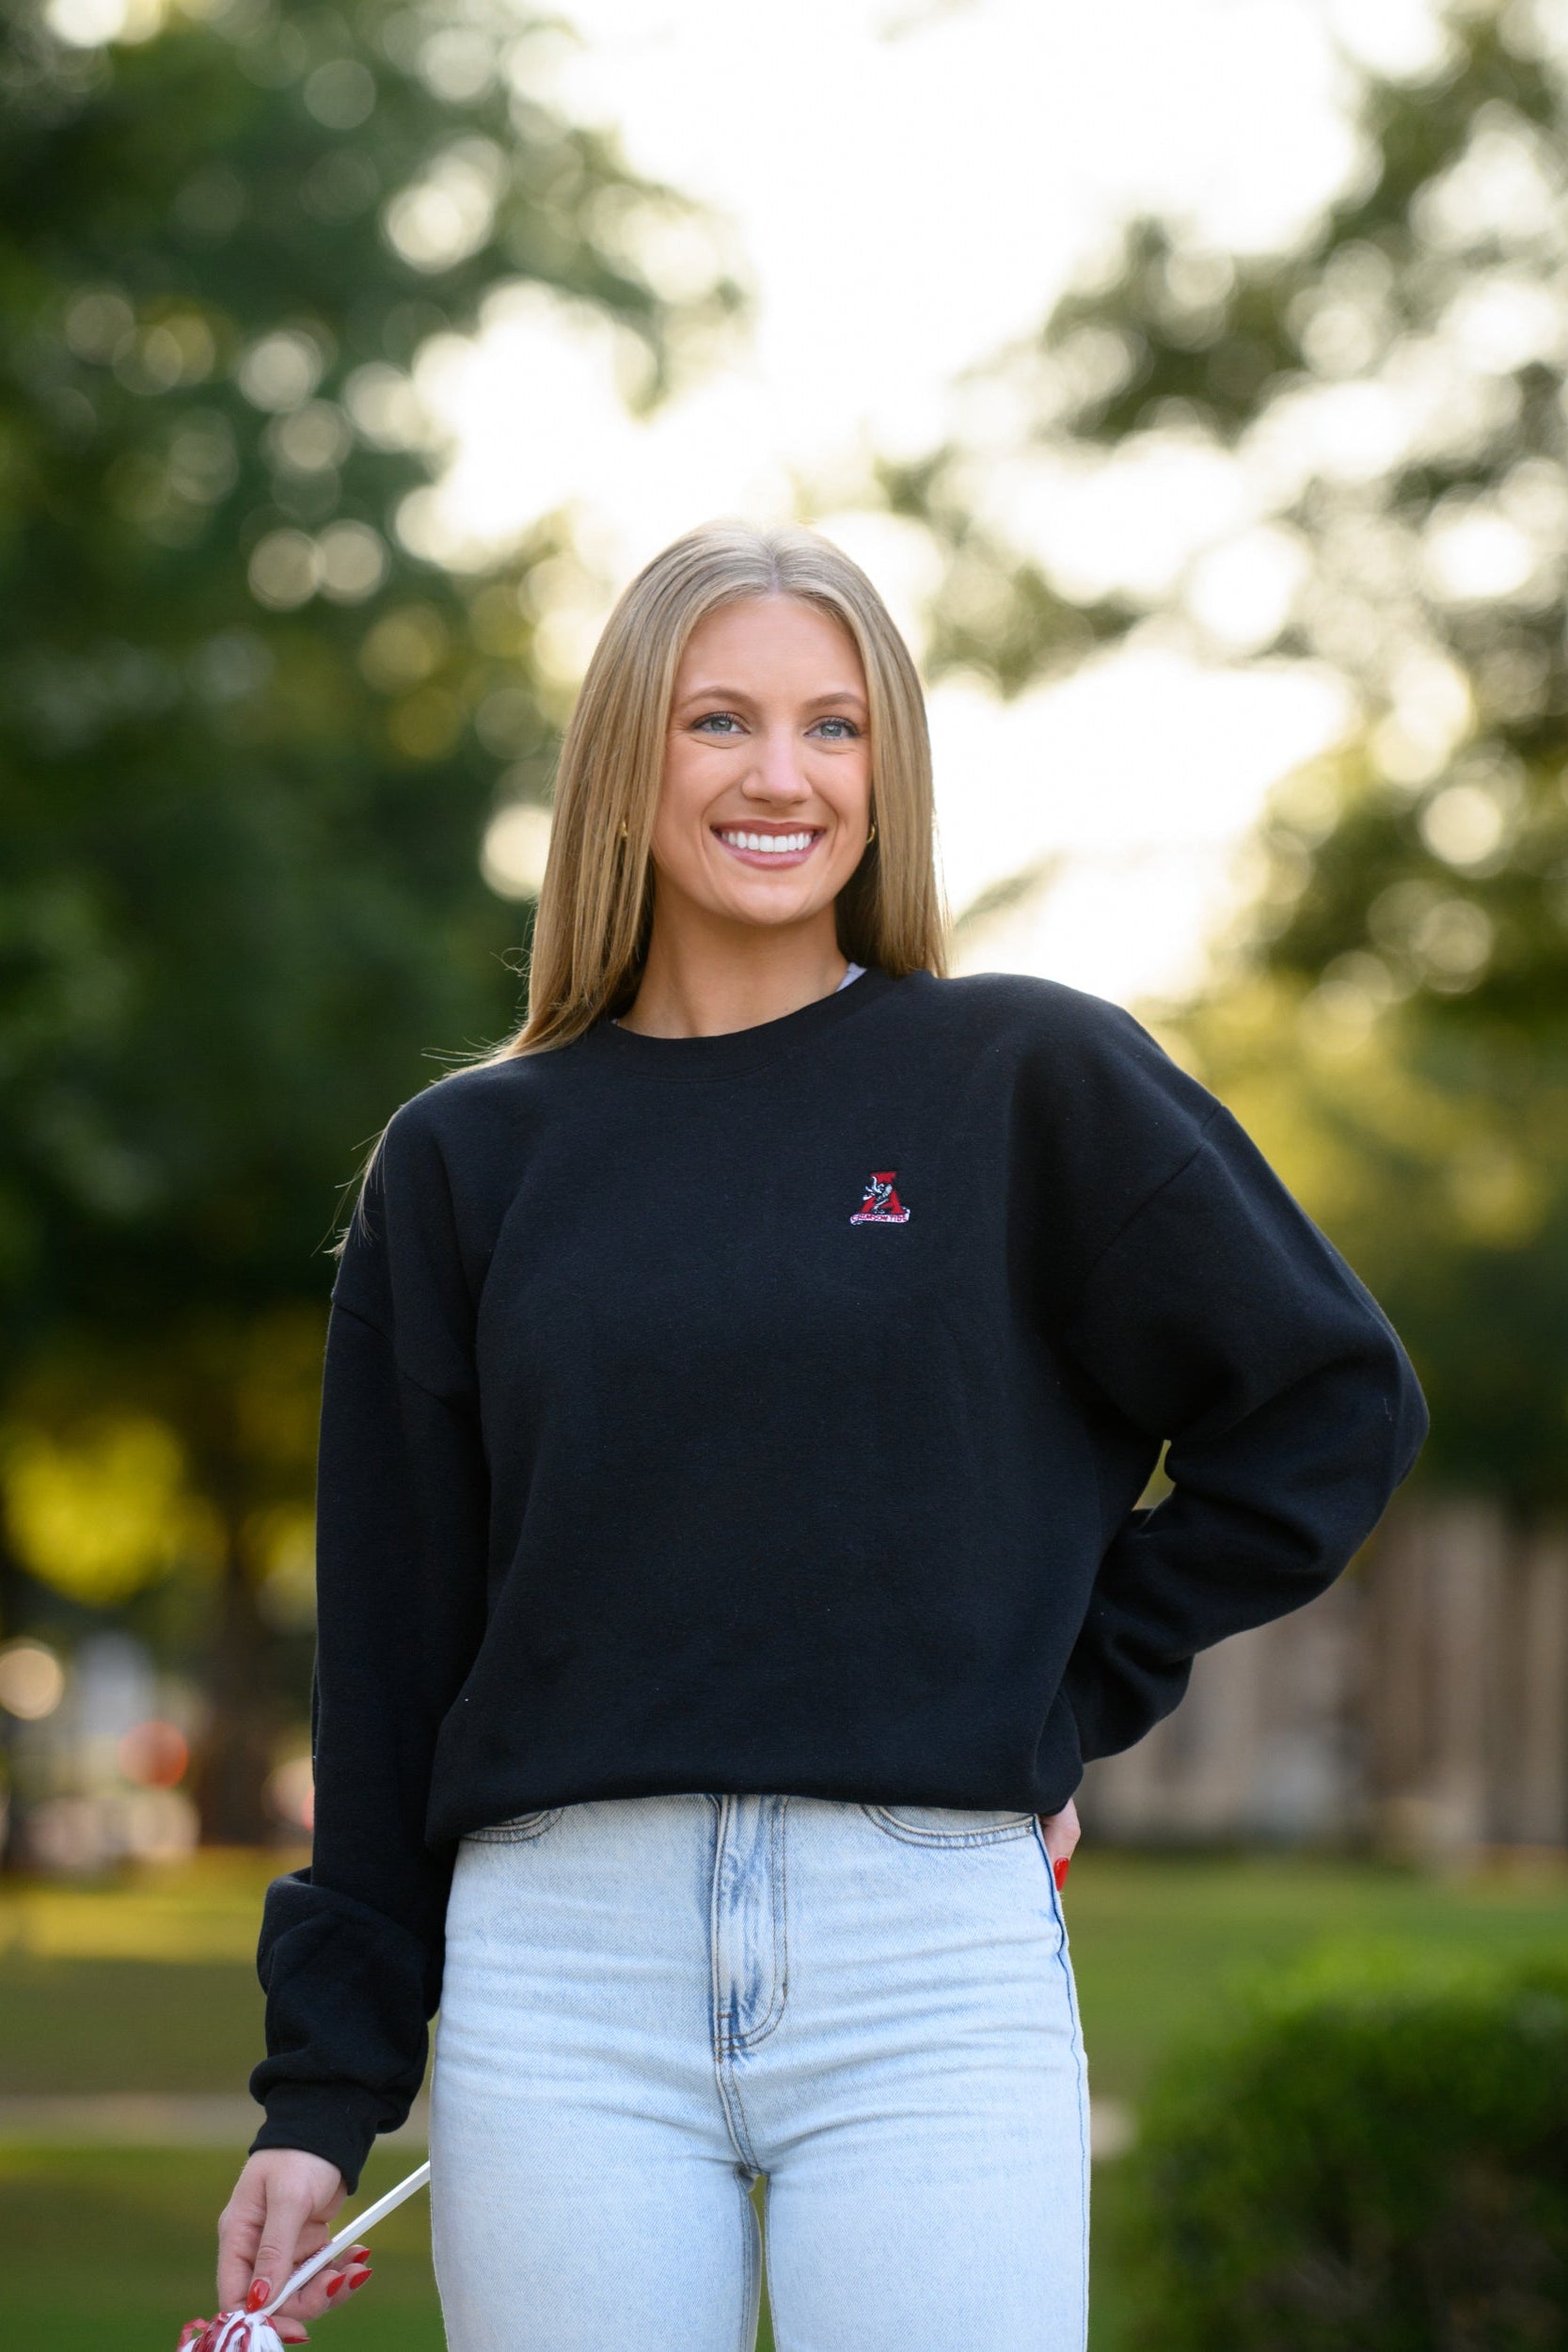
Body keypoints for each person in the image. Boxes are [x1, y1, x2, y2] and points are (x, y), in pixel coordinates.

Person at [214, 518, 1428, 2350]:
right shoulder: (465, 1162)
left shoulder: (1029, 1079)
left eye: (835, 727)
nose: (781, 775)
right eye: (719, 720)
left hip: (928, 1959)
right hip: (561, 1979)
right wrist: (320, 2094)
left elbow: (1332, 1406)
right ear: (628, 757)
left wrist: (1057, 1678)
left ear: (891, 769)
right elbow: (392, 1657)